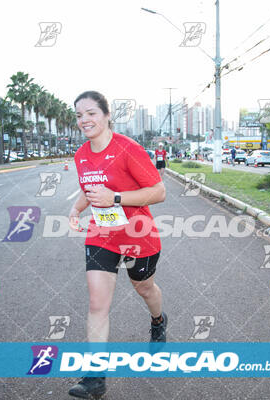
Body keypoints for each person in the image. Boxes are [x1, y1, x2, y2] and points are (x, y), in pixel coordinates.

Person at [68, 91, 167, 399]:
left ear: (107, 115)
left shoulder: (128, 148)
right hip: (102, 235)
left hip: (139, 234)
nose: (84, 120)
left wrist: (117, 198)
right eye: (79, 115)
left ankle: (159, 322)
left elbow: (159, 191)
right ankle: (95, 376)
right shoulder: (81, 154)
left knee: (144, 289)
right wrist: (76, 209)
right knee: (98, 304)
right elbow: (90, 189)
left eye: (91, 113)